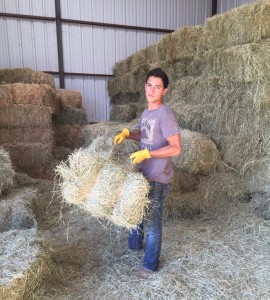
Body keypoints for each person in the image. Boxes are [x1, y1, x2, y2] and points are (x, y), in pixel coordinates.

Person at [114, 68, 181, 277]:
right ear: (145, 87)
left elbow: (176, 148)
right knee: (136, 216)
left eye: (157, 87)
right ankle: (134, 248)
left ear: (165, 91)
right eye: (149, 85)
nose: (152, 90)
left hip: (158, 178)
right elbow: (145, 134)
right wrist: (128, 134)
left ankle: (150, 266)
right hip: (141, 176)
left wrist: (148, 154)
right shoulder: (146, 113)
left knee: (153, 225)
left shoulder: (165, 114)